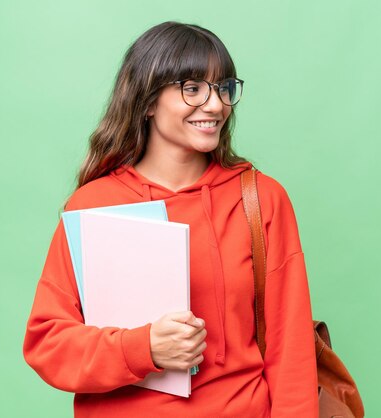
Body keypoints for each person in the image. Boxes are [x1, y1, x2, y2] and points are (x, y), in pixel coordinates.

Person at [23, 21, 318, 417]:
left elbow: (291, 348)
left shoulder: (261, 199)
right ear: (146, 101)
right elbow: (48, 344)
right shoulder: (92, 204)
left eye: (223, 88)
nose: (215, 105)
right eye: (192, 88)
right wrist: (144, 348)